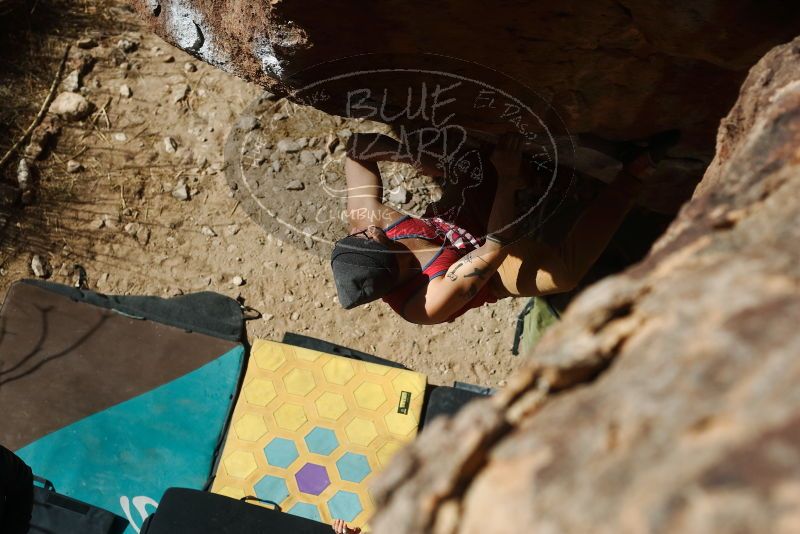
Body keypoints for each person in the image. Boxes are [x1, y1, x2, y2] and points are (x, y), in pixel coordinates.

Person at [330, 131, 662, 324]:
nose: (367, 230)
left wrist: (430, 163)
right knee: (562, 275)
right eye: (370, 239)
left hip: (456, 222)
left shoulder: (369, 223)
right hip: (491, 269)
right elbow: (495, 245)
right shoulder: (427, 302)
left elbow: (358, 149)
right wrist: (508, 177)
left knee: (476, 160)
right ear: (395, 263)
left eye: (356, 234)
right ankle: (633, 175)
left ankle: (544, 180)